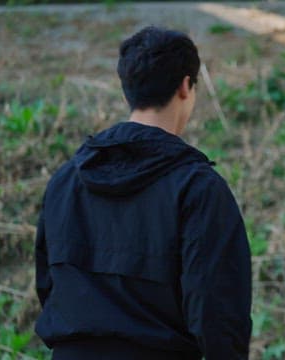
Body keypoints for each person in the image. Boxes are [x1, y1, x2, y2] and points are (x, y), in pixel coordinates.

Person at [34, 26, 252, 360]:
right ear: (185, 86)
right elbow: (217, 312)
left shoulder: (66, 180)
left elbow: (49, 286)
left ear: (128, 89)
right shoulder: (197, 188)